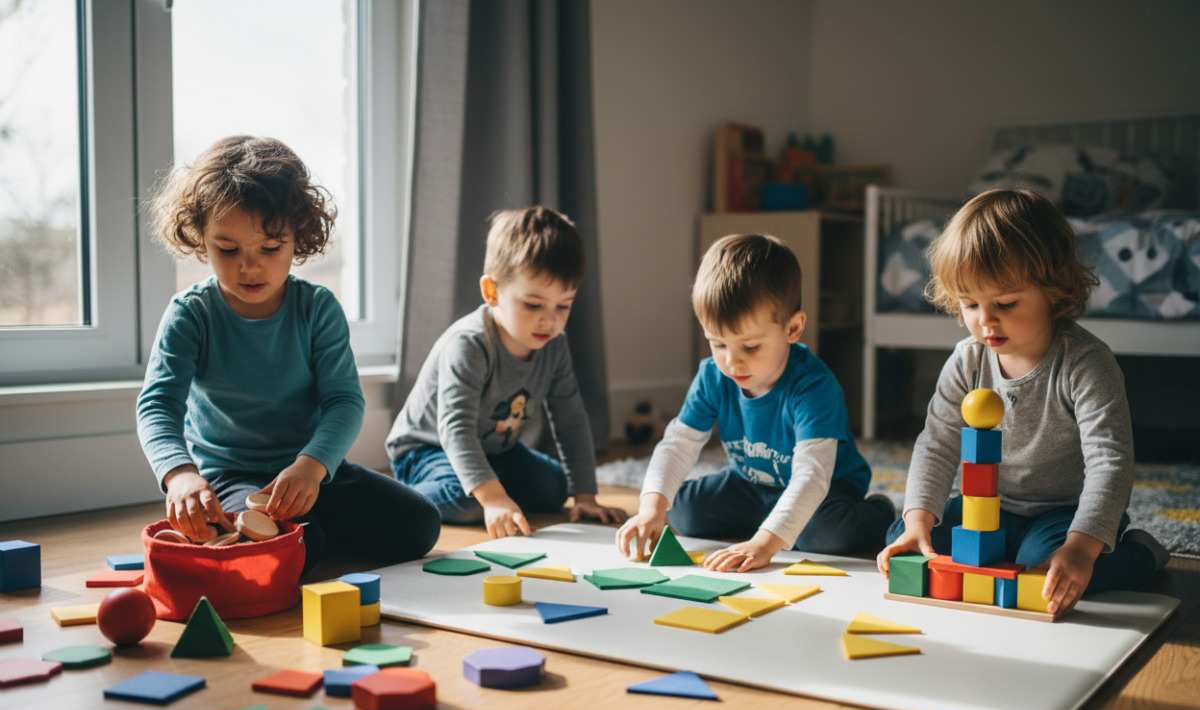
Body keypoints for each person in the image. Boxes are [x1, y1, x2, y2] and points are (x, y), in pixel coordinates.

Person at [137, 135, 440, 572]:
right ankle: (292, 536)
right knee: (293, 549)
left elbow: (344, 401)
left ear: (299, 236)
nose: (249, 266)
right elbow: (158, 406)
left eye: (271, 247)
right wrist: (180, 474)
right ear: (201, 237)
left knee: (419, 525)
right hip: (233, 478)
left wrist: (312, 467)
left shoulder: (318, 308)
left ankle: (299, 533)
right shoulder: (190, 314)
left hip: (311, 471)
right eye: (228, 249)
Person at [875, 187, 1168, 617]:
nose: (985, 320)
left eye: (1006, 303)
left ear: (1054, 288)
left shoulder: (1086, 362)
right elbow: (936, 443)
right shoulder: (967, 360)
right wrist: (918, 521)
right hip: (985, 509)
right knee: (904, 538)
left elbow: (1110, 461)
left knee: (1048, 571)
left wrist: (1081, 548)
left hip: (1063, 514)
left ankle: (1141, 553)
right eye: (970, 304)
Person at [615, 233, 894, 571]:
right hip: (751, 483)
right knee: (683, 511)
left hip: (826, 488)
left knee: (823, 536)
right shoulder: (713, 376)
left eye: (749, 347)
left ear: (792, 328)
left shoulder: (814, 387)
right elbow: (678, 444)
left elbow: (812, 476)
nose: (731, 362)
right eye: (718, 344)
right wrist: (651, 508)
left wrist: (765, 544)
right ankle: (771, 522)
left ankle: (879, 511)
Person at [387, 206, 627, 538]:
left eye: (563, 305)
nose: (550, 320)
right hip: (428, 450)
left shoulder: (554, 345)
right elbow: (456, 430)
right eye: (533, 305)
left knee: (557, 487)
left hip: (496, 450)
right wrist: (493, 498)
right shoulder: (469, 344)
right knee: (471, 502)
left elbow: (570, 419)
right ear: (492, 292)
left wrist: (585, 496)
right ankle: (392, 497)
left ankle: (488, 484)